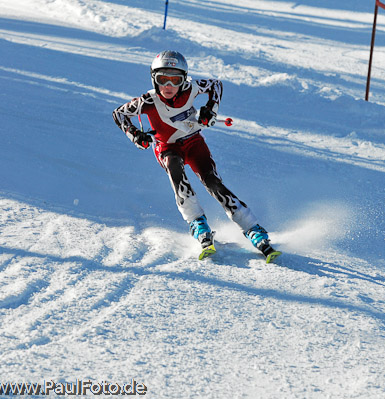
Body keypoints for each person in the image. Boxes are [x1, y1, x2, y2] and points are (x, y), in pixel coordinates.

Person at [112, 50, 280, 261]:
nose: (169, 87)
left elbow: (215, 85)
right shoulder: (148, 101)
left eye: (176, 80)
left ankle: (252, 227)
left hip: (193, 143)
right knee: (175, 171)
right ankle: (197, 222)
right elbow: (119, 113)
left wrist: (210, 109)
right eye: (162, 79)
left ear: (184, 80)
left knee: (212, 182)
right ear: (153, 79)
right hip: (168, 147)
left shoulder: (191, 88)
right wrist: (136, 135)